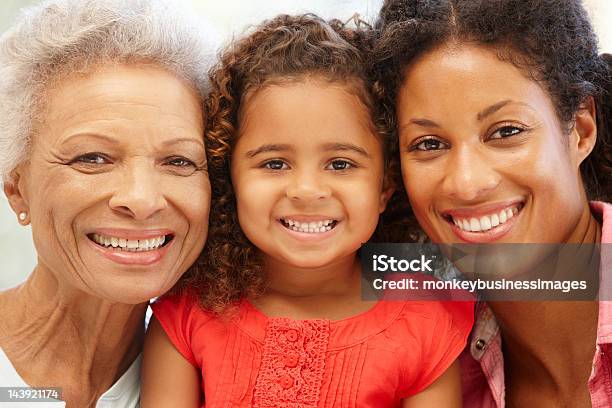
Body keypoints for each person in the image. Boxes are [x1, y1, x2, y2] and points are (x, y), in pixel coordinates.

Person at [141, 14, 474, 408]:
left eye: (340, 164)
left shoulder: (426, 321)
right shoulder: (187, 312)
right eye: (275, 164)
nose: (306, 191)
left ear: (385, 185)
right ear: (229, 177)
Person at [373, 0, 611, 406]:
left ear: (581, 132)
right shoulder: (426, 368)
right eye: (429, 144)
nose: (467, 183)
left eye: (505, 132)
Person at [0, 0, 216, 406]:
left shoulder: (220, 367)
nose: (142, 200)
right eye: (92, 158)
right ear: (17, 189)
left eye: (178, 161)